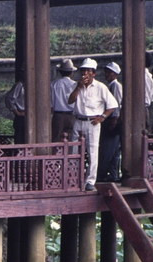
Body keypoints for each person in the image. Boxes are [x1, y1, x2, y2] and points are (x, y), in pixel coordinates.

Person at [66, 58, 117, 191]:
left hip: (92, 122)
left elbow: (113, 105)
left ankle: (90, 181)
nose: (85, 74)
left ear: (93, 73)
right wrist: (79, 87)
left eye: (88, 71)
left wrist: (103, 117)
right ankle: (73, 178)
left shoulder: (100, 87)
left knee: (92, 151)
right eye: (83, 71)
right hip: (78, 120)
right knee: (74, 151)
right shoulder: (76, 85)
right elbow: (70, 101)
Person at [97, 62, 123, 181]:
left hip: (112, 119)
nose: (106, 74)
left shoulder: (115, 86)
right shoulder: (111, 86)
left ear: (114, 74)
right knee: (113, 150)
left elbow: (116, 104)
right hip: (111, 118)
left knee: (109, 148)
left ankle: (103, 174)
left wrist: (114, 119)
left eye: (109, 72)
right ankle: (113, 174)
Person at [50, 59, 77, 144]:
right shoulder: (75, 84)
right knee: (71, 139)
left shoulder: (54, 84)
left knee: (56, 139)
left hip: (58, 115)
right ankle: (69, 156)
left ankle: (56, 156)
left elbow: (50, 102)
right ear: (72, 72)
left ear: (60, 72)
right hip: (72, 115)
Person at [4, 69, 27, 143]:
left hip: (30, 116)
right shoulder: (20, 85)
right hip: (21, 115)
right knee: (20, 137)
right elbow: (9, 98)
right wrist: (17, 112)